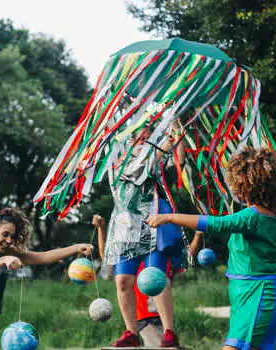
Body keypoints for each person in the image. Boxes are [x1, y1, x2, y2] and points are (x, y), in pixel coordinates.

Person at [148, 147, 276, 350]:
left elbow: (215, 224)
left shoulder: (252, 216)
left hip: (256, 296)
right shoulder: (269, 215)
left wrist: (169, 217)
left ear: (245, 184)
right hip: (257, 295)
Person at [0, 207, 93, 350]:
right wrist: (3, 260)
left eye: (13, 237)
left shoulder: (8, 252)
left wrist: (76, 247)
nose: (9, 240)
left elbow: (43, 257)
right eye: (5, 234)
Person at [102, 123, 186, 347]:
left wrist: (176, 127)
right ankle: (131, 333)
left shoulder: (157, 159)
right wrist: (163, 148)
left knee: (156, 277)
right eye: (137, 135)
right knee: (122, 281)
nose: (141, 138)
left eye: (146, 134)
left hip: (153, 222)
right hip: (126, 225)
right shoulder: (119, 161)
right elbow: (138, 170)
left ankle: (169, 332)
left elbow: (179, 160)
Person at [94, 214, 203, 347]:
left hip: (159, 316)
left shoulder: (163, 261)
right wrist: (101, 229)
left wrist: (197, 235)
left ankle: (169, 332)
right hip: (142, 318)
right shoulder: (129, 261)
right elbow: (105, 256)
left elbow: (187, 257)